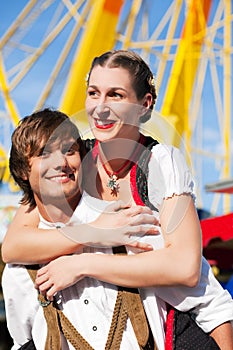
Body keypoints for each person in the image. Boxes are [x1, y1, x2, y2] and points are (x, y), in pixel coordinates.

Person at [2, 50, 233, 349]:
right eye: (93, 93)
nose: (101, 107)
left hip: (175, 324)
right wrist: (95, 232)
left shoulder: (161, 164)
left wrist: (83, 264)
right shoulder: (73, 160)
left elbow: (186, 267)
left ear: (144, 105)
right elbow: (14, 246)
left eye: (116, 95)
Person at [2, 108, 159, 349]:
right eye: (44, 154)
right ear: (23, 171)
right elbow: (23, 340)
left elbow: (205, 301)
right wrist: (93, 232)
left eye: (69, 150)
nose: (61, 163)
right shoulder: (20, 269)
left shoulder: (126, 222)